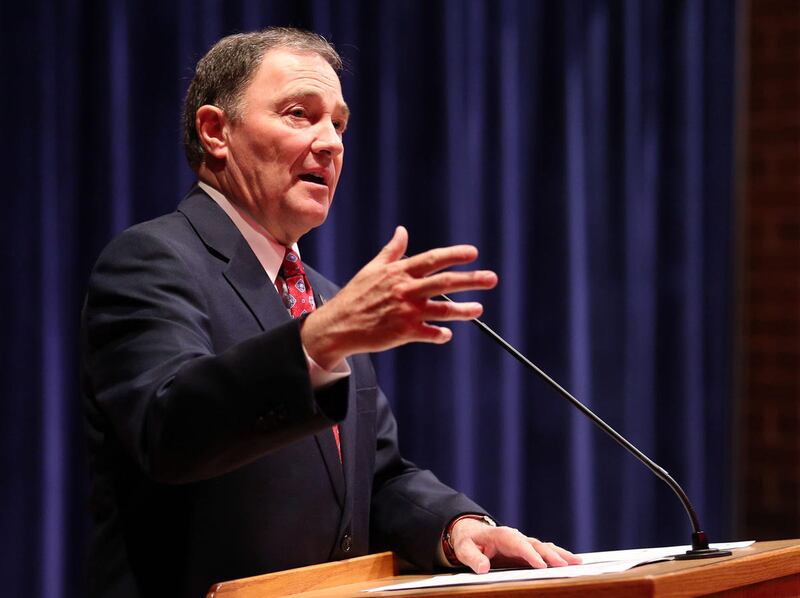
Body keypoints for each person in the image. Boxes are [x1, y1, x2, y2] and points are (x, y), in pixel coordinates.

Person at [81, 27, 580, 598]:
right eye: (300, 114)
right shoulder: (151, 261)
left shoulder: (322, 298)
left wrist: (454, 527)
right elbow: (167, 428)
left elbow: (374, 480)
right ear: (216, 132)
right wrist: (317, 341)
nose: (331, 142)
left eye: (338, 124)